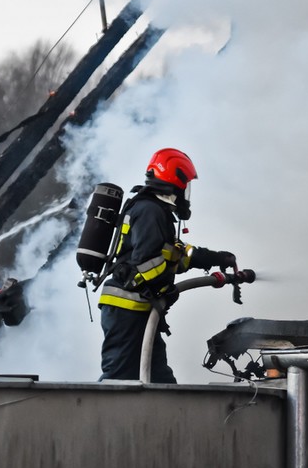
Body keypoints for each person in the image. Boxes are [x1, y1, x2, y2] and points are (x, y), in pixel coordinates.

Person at [98, 148, 237, 383]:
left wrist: (214, 258)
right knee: (119, 377)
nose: (186, 192)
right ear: (175, 181)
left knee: (158, 378)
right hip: (127, 309)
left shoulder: (152, 209)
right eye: (186, 185)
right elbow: (147, 265)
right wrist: (164, 288)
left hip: (138, 310)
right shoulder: (151, 211)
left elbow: (172, 256)